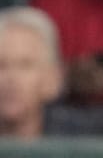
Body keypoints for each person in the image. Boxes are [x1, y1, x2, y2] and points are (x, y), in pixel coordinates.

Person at [0, 7, 64, 140]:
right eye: (2, 66)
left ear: (52, 79)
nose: (12, 79)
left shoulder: (78, 146)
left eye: (25, 65)